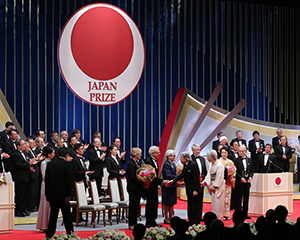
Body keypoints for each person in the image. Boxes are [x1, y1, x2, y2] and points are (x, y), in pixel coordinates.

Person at [45, 147, 74, 238]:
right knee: (66, 216)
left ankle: (49, 235)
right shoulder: (67, 165)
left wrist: (47, 194)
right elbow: (68, 182)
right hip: (63, 195)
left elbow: (47, 180)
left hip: (52, 194)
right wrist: (68, 195)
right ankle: (70, 234)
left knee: (53, 215)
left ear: (57, 154)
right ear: (66, 155)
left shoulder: (50, 164)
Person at [167, 151, 201, 226]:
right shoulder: (186, 165)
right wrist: (172, 181)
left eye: (181, 158)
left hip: (194, 189)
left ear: (186, 159)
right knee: (190, 205)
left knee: (194, 206)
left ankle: (195, 221)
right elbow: (181, 175)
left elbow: (196, 178)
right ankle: (191, 220)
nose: (180, 159)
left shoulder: (193, 165)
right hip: (189, 188)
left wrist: (195, 190)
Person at [12, 139, 37, 217]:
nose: (25, 146)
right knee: (20, 195)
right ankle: (18, 211)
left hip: (26, 177)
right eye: (23, 144)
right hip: (20, 178)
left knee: (25, 195)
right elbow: (19, 165)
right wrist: (28, 163)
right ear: (18, 146)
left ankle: (23, 209)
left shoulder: (24, 153)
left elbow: (26, 163)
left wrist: (30, 166)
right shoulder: (16, 154)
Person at [201, 150, 225, 220]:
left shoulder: (219, 165)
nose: (207, 158)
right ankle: (214, 217)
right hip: (213, 186)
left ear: (212, 157)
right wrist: (204, 182)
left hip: (218, 187)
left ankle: (219, 218)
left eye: (208, 157)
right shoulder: (211, 164)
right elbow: (209, 175)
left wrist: (215, 186)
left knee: (218, 204)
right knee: (214, 204)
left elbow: (219, 177)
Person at [144, 146, 164, 227]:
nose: (159, 154)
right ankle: (149, 221)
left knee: (155, 204)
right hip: (149, 187)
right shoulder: (148, 161)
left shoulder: (155, 161)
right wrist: (162, 181)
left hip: (154, 186)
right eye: (158, 152)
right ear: (153, 153)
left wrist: (158, 183)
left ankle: (153, 221)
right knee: (150, 204)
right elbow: (150, 175)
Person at [36, 146, 54, 232]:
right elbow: (44, 176)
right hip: (46, 185)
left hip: (52, 185)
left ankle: (50, 224)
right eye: (53, 153)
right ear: (49, 154)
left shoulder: (53, 162)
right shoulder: (44, 163)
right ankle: (44, 225)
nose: (54, 154)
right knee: (45, 205)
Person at [126, 147, 144, 230]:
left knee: (136, 206)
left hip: (138, 188)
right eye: (139, 153)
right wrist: (142, 181)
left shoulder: (138, 163)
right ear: (136, 154)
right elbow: (133, 177)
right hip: (133, 188)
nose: (140, 155)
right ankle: (131, 223)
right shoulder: (130, 164)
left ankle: (135, 222)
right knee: (133, 207)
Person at [234, 145, 253, 219]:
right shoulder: (236, 160)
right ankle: (238, 214)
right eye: (240, 151)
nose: (241, 153)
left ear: (245, 151)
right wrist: (240, 178)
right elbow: (235, 172)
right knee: (238, 199)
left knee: (246, 199)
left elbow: (252, 170)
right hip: (239, 183)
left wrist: (250, 177)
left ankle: (245, 213)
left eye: (242, 151)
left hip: (247, 183)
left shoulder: (249, 160)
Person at [191, 143, 207, 220]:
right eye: (197, 150)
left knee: (200, 201)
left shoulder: (202, 159)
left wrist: (203, 181)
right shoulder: (190, 159)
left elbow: (205, 171)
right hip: (193, 184)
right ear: (192, 150)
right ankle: (193, 217)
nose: (198, 151)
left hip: (201, 183)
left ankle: (199, 216)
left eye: (199, 150)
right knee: (193, 202)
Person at [219, 146, 236, 220]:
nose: (223, 154)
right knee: (221, 198)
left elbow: (234, 169)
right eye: (222, 153)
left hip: (228, 182)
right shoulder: (219, 162)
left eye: (225, 153)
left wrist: (231, 175)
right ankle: (220, 213)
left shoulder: (230, 161)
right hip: (221, 182)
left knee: (227, 198)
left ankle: (227, 214)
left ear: (228, 154)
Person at [161, 149, 178, 224]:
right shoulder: (166, 164)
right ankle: (166, 218)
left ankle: (171, 217)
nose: (175, 157)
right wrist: (178, 177)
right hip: (167, 186)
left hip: (172, 185)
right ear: (169, 156)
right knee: (167, 203)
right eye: (173, 156)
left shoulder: (172, 163)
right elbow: (168, 175)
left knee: (172, 203)